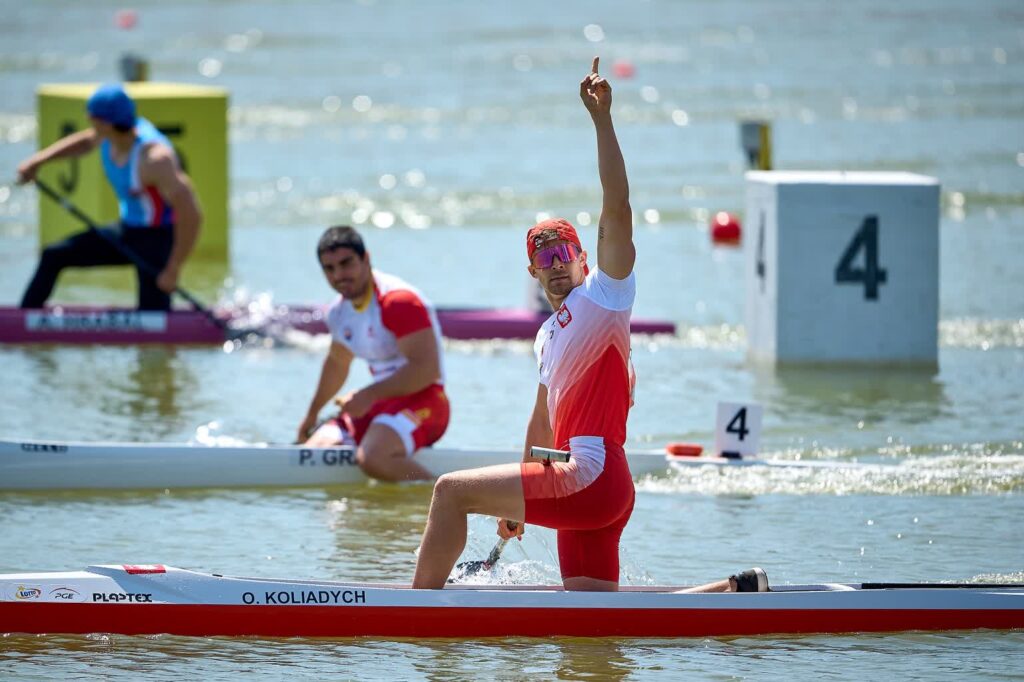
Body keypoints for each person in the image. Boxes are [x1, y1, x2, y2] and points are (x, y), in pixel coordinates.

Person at [411, 58, 768, 593]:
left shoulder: (606, 294)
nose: (556, 266)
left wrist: (602, 121)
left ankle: (415, 617)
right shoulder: (545, 336)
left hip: (591, 476)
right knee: (594, 630)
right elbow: (541, 425)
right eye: (544, 260)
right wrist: (518, 504)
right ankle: (733, 591)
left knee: (449, 492)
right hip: (596, 487)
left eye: (564, 255)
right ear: (533, 273)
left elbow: (617, 206)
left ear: (583, 259)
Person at [17, 83, 201, 310]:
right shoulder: (107, 135)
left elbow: (192, 214)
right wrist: (37, 162)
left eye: (91, 117)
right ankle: (25, 320)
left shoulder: (154, 159)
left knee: (153, 325)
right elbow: (84, 142)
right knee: (54, 255)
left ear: (104, 122)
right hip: (127, 230)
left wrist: (173, 269)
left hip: (157, 240)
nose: (88, 121)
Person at [298, 225, 449, 482]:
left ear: (366, 259)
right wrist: (311, 415)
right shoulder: (338, 313)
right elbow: (337, 363)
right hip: (381, 404)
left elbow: (426, 370)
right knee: (314, 453)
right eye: (330, 269)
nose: (339, 275)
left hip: (427, 402)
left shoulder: (398, 302)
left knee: (372, 458)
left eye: (346, 264)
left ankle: (445, 500)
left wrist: (367, 395)